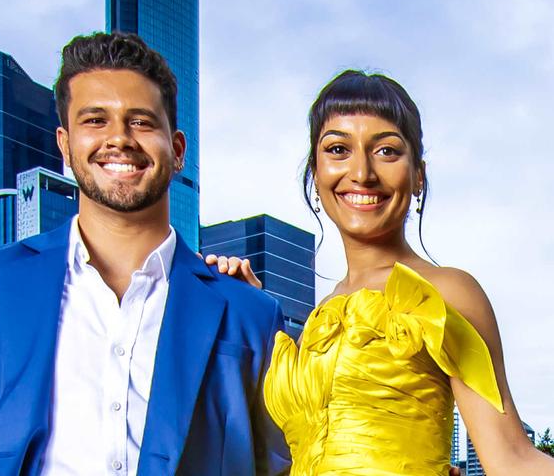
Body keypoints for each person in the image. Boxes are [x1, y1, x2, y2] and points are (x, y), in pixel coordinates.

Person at [0, 32, 289, 475]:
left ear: (178, 150)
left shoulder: (251, 314)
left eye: (141, 121)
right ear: (65, 146)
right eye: (95, 121)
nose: (119, 139)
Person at [207, 70, 554, 475]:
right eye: (338, 149)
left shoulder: (445, 293)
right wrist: (250, 306)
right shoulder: (320, 318)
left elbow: (512, 459)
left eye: (386, 151)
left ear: (418, 175)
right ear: (315, 174)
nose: (362, 173)